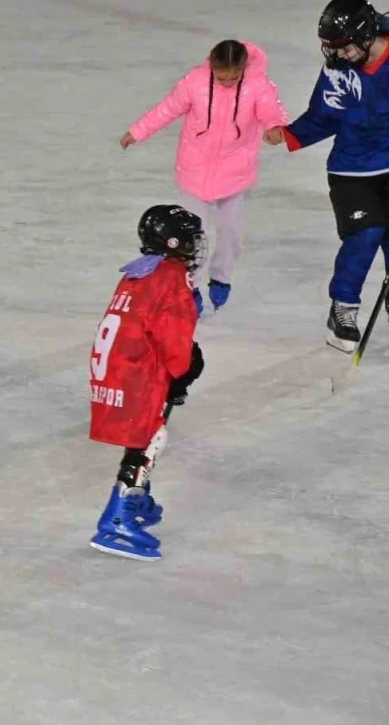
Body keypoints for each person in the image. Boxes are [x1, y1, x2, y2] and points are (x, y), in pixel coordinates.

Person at [121, 39, 288, 316]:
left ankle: (221, 277)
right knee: (190, 235)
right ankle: (191, 285)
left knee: (231, 234)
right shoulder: (195, 82)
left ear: (243, 68)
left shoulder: (258, 85)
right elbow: (167, 109)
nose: (228, 82)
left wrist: (275, 128)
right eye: (222, 77)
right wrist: (137, 132)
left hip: (234, 173)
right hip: (194, 171)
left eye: (234, 76)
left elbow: (273, 112)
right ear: (212, 64)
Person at [88, 204, 205, 561]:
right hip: (139, 370)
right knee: (151, 437)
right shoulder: (171, 277)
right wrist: (183, 370)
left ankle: (137, 498)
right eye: (189, 239)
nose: (195, 245)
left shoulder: (138, 272)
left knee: (147, 432)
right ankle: (117, 517)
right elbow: (173, 339)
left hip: (118, 366)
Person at [273, 0, 389, 353]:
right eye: (332, 48)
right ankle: (343, 307)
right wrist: (290, 133)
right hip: (351, 169)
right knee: (365, 234)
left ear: (367, 34)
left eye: (345, 46)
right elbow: (324, 114)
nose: (339, 54)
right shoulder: (339, 68)